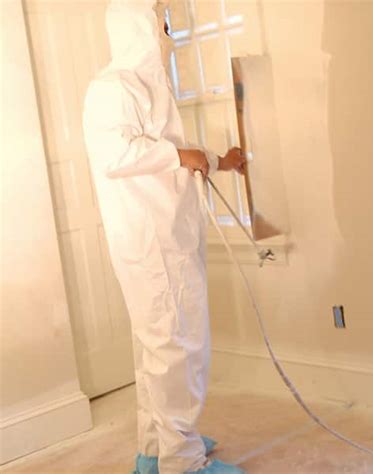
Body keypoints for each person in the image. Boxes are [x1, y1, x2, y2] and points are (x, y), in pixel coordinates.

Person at [82, 1, 246, 473]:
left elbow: (173, 149)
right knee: (176, 347)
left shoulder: (148, 87)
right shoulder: (113, 87)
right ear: (137, 26)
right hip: (150, 241)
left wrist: (219, 161)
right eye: (162, 24)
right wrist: (181, 157)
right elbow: (117, 155)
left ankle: (156, 450)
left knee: (156, 346)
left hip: (167, 232)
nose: (167, 34)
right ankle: (183, 461)